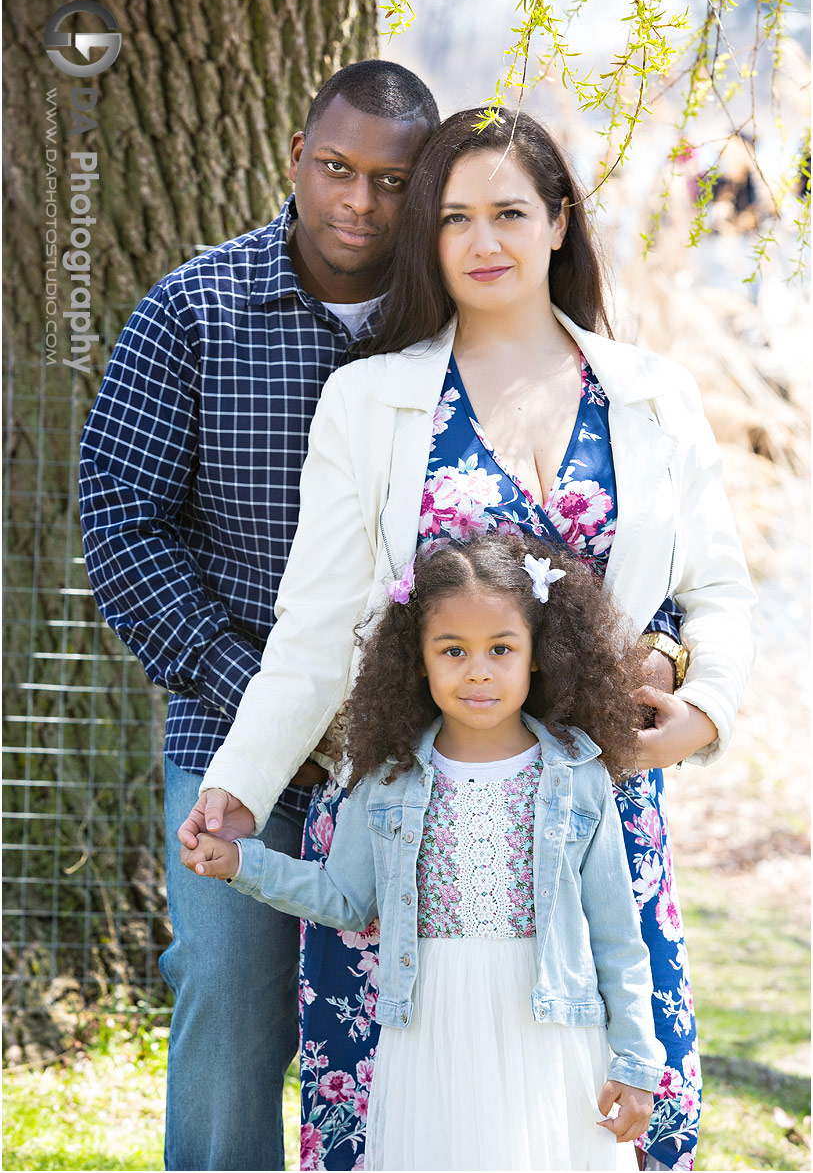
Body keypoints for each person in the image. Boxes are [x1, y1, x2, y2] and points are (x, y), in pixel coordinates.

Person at [182, 109, 755, 1171]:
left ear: (558, 222)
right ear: (428, 239)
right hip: (409, 831)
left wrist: (706, 705)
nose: (484, 240)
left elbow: (718, 586)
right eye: (454, 218)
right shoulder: (371, 398)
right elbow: (314, 632)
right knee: (415, 1122)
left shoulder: (653, 394)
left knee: (608, 1111)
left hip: (594, 813)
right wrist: (241, 785)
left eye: (508, 212)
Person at [78, 60, 439, 1172]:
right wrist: (271, 702)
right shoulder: (196, 309)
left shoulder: (451, 322)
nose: (359, 203)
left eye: (392, 180)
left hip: (425, 749)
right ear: (295, 153)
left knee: (417, 1024)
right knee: (231, 1003)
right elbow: (123, 524)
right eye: (337, 168)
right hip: (231, 736)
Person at [183, 532, 668, 1172]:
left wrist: (635, 1061)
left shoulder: (577, 773)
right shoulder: (389, 777)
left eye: (501, 649)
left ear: (537, 656)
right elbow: (347, 899)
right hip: (432, 1027)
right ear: (418, 660)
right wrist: (245, 864)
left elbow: (616, 932)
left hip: (550, 1028)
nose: (478, 670)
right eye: (453, 650)